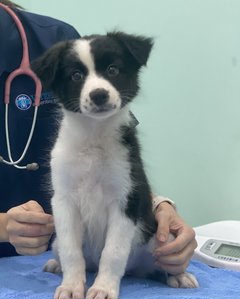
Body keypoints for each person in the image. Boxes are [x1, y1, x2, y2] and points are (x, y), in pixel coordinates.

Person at [0, 0, 197, 275]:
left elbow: (118, 172)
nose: (96, 87)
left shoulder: (52, 38)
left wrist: (158, 206)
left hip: (76, 250)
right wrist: (3, 226)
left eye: (112, 71)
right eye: (78, 75)